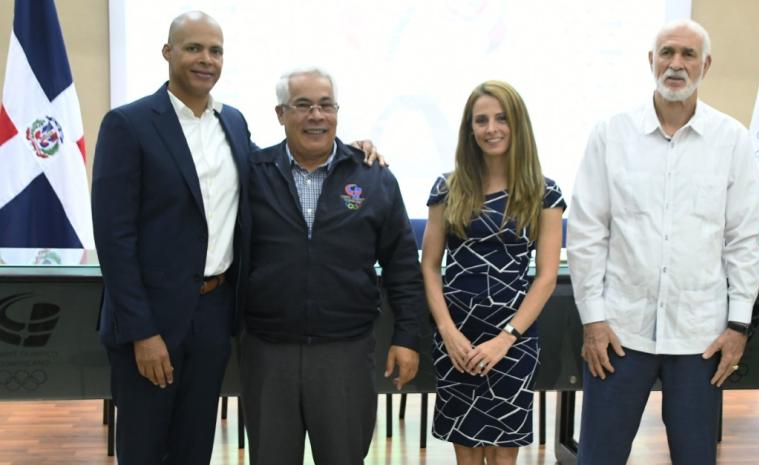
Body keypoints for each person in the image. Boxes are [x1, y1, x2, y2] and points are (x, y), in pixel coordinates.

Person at [91, 13, 381, 464]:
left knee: (194, 448)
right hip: (150, 325)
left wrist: (354, 150)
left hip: (213, 316)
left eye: (216, 50)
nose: (206, 59)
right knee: (145, 449)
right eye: (194, 48)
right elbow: (114, 239)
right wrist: (142, 331)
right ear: (168, 53)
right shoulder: (128, 125)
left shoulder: (233, 123)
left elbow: (282, 161)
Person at [567, 19, 759, 465]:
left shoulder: (731, 140)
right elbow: (586, 234)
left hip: (702, 339)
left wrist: (738, 327)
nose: (676, 64)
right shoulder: (611, 134)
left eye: (688, 55)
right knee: (598, 457)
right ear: (651, 61)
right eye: (667, 53)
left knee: (696, 457)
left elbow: (744, 241)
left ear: (705, 65)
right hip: (618, 334)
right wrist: (593, 321)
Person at [240, 67, 424, 465]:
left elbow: (403, 266)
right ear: (280, 114)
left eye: (326, 105)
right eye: (302, 105)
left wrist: (407, 336)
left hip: (346, 353)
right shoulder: (252, 175)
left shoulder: (373, 176)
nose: (316, 116)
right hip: (270, 353)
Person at [421, 80, 566, 465]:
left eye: (501, 118)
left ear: (518, 124)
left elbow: (547, 277)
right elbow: (430, 266)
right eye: (481, 120)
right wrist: (448, 332)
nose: (491, 128)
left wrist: (506, 339)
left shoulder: (544, 193)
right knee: (466, 455)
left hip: (513, 340)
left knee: (504, 456)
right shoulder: (447, 188)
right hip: (456, 338)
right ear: (470, 129)